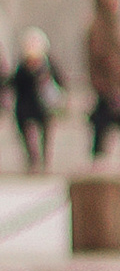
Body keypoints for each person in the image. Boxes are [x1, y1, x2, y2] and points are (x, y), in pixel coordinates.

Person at [84, 0, 120, 159]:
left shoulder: (110, 24)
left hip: (110, 83)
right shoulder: (101, 26)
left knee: (107, 118)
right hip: (108, 83)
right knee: (112, 118)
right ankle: (99, 153)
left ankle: (99, 153)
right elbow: (106, 57)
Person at [11, 27, 65, 172]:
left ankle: (43, 159)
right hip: (25, 106)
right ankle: (32, 159)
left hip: (43, 106)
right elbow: (14, 84)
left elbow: (60, 81)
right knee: (25, 130)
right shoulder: (21, 68)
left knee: (45, 132)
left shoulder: (48, 65)